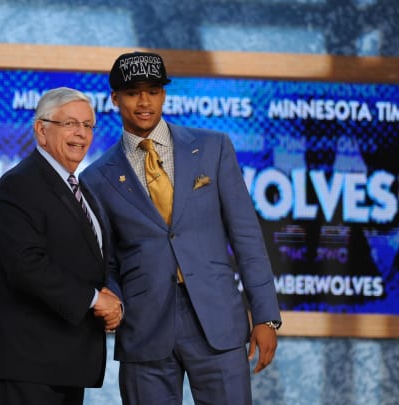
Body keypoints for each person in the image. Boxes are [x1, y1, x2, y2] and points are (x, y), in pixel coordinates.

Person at [80, 51, 282, 405]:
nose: (145, 102)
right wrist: (113, 303)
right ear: (114, 98)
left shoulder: (212, 148)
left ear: (164, 95)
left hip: (217, 317)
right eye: (132, 92)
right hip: (145, 328)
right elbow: (107, 262)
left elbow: (246, 237)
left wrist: (266, 316)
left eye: (154, 91)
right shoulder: (95, 177)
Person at [0, 86, 123, 405]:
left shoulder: (82, 189)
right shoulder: (19, 185)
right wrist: (95, 300)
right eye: (70, 123)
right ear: (41, 130)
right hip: (27, 362)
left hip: (67, 362)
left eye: (87, 125)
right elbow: (26, 265)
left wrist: (110, 296)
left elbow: (91, 262)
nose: (81, 134)